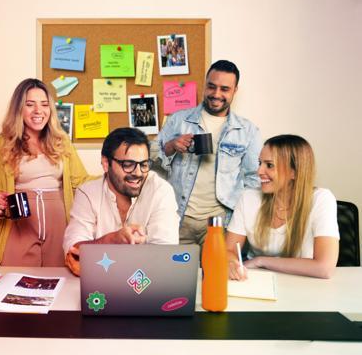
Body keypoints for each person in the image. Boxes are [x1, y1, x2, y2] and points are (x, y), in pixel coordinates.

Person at [0, 78, 92, 267]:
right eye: (30, 104)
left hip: (59, 225)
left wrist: (114, 175)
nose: (38, 111)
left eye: (44, 104)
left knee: (60, 280)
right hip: (19, 227)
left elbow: (82, 182)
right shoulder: (1, 144)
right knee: (16, 281)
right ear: (18, 109)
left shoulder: (61, 141)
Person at [155, 60, 262, 245]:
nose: (216, 94)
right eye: (211, 86)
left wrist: (238, 213)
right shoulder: (179, 120)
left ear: (235, 90)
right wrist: (170, 147)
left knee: (217, 265)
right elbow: (149, 161)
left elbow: (254, 178)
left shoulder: (248, 131)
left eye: (224, 89)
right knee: (171, 265)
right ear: (205, 85)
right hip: (178, 219)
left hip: (221, 224)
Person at [63, 127, 180, 276]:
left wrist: (101, 256)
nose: (138, 173)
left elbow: (165, 256)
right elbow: (74, 252)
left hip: (146, 285)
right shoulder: (87, 193)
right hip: (99, 285)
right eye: (128, 164)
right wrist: (112, 240)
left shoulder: (161, 191)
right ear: (106, 163)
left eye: (144, 164)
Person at [226, 135, 339, 279]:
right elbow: (229, 250)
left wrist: (261, 261)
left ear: (294, 172)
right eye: (260, 163)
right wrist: (230, 262)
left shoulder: (322, 199)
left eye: (269, 165)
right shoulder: (248, 198)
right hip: (257, 281)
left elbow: (324, 268)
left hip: (305, 283)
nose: (259, 171)